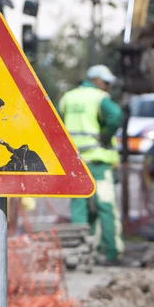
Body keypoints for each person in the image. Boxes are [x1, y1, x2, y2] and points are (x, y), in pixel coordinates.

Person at [59, 65, 125, 266]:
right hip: (98, 161)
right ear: (96, 79)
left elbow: (58, 122)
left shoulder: (67, 98)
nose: (108, 87)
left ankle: (79, 255)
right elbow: (116, 116)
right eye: (106, 82)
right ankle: (111, 253)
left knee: (79, 209)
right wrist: (106, 134)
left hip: (75, 162)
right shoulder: (99, 97)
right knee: (106, 207)